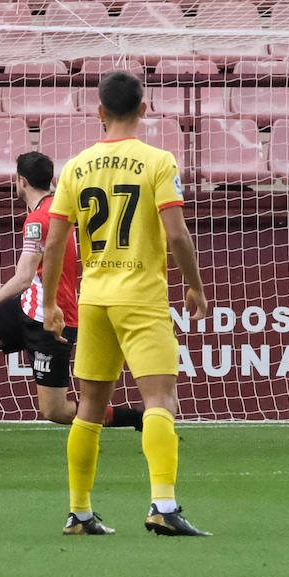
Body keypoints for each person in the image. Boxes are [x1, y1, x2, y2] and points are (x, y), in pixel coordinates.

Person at [42, 71, 210, 537]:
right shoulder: (158, 161)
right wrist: (194, 285)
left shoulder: (76, 166)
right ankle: (163, 505)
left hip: (93, 299)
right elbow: (176, 233)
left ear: (99, 112)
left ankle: (78, 512)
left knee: (90, 405)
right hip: (140, 294)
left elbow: (55, 242)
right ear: (144, 109)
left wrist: (54, 304)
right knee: (159, 398)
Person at [0, 151, 143, 429]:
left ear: (21, 181)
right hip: (27, 305)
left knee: (56, 411)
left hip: (50, 318)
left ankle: (135, 418)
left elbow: (23, 278)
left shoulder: (38, 220)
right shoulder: (58, 209)